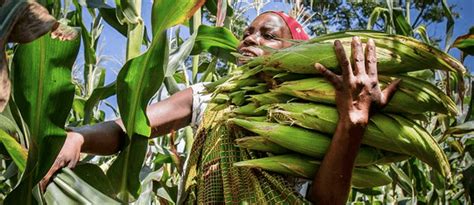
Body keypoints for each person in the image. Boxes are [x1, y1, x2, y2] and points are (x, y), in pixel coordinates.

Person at [40, 11, 399, 204]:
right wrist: (78, 137)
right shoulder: (211, 96)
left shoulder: (310, 112)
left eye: (267, 34)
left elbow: (324, 201)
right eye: (247, 32)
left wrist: (353, 124)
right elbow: (130, 127)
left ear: (295, 52)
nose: (250, 38)